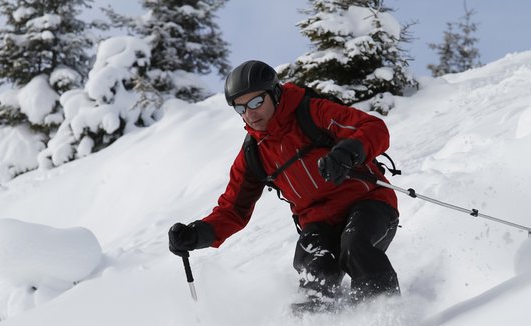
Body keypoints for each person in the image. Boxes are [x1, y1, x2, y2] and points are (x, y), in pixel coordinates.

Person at [169, 60, 400, 310]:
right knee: (316, 270)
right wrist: (196, 234)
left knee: (355, 246)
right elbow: (233, 210)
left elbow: (373, 128)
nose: (250, 113)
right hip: (318, 224)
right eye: (240, 108)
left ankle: (384, 317)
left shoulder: (312, 112)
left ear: (275, 93)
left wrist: (347, 152)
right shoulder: (254, 153)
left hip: (369, 204)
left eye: (256, 102)